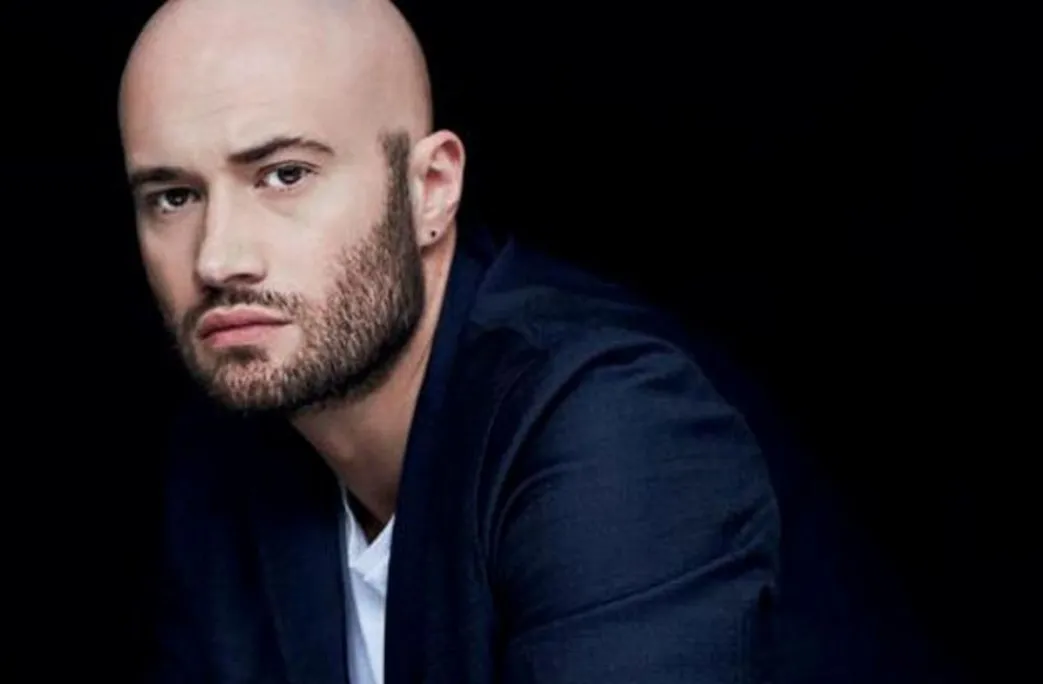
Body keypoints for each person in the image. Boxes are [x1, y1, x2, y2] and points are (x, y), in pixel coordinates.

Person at [118, 0, 778, 682]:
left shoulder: (615, 424)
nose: (217, 259)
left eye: (285, 175)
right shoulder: (224, 455)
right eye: (174, 197)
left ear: (430, 189)